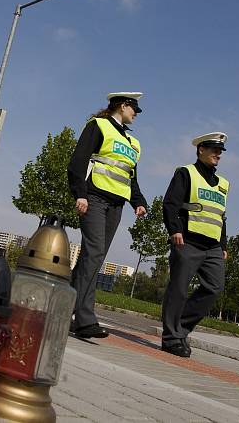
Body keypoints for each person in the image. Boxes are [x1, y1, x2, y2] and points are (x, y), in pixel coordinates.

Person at [67, 92, 148, 339]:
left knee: (93, 258)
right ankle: (84, 319)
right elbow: (78, 162)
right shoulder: (98, 126)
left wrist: (138, 201)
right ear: (123, 106)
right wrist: (79, 193)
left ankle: (63, 307)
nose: (136, 114)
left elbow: (129, 175)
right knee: (94, 254)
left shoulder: (134, 144)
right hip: (93, 197)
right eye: (134, 108)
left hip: (116, 205)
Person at [160, 132, 230, 357]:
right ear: (201, 150)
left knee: (215, 287)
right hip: (187, 241)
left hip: (212, 248)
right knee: (178, 290)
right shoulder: (186, 173)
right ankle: (171, 338)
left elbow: (221, 216)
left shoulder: (224, 184)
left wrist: (224, 244)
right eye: (214, 149)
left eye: (220, 151)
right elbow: (170, 204)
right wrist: (175, 230)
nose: (218, 154)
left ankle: (179, 328)